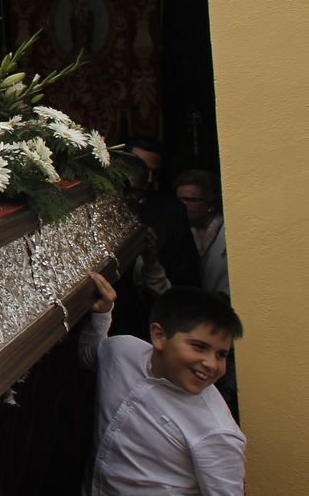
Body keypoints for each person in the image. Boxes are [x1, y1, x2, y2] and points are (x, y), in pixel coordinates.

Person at [80, 272, 244, 493]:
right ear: (159, 336)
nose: (211, 364)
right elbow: (88, 355)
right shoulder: (122, 351)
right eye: (199, 347)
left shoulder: (216, 431)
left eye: (221, 355)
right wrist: (103, 313)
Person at [173, 169, 228, 297]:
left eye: (190, 200)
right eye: (179, 200)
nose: (182, 205)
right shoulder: (177, 231)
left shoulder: (228, 232)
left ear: (211, 204)